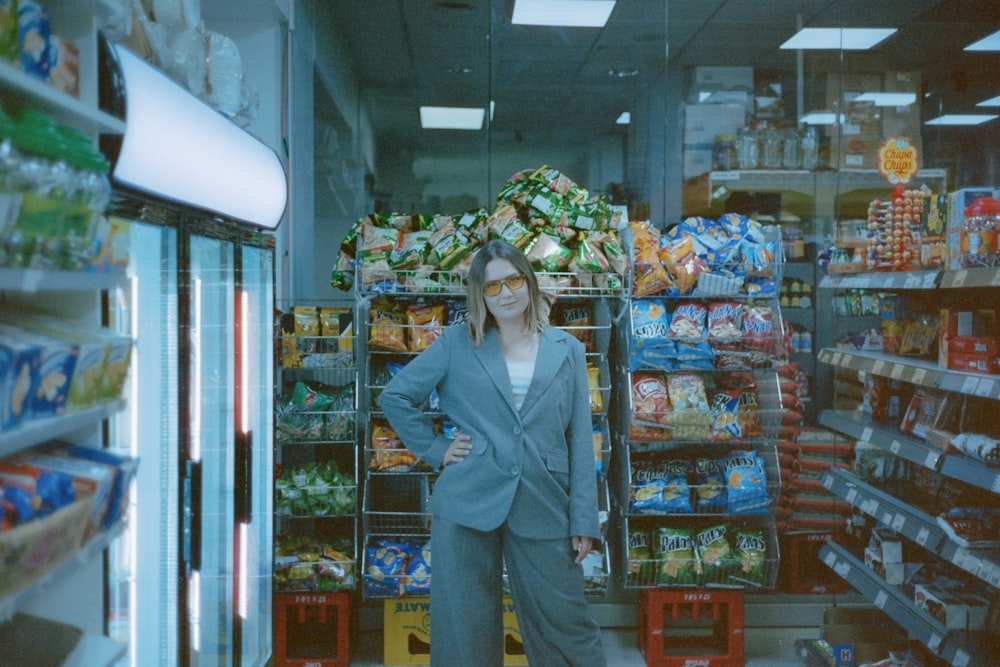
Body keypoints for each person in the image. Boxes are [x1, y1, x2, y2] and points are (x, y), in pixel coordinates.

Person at [379, 238, 607, 667]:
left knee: (568, 626)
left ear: (529, 281)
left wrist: (584, 519)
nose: (506, 294)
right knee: (464, 632)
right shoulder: (457, 343)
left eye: (514, 280)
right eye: (492, 287)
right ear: (479, 295)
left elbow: (580, 439)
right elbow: (396, 397)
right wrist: (436, 448)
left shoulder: (568, 349)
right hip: (467, 502)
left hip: (545, 503)